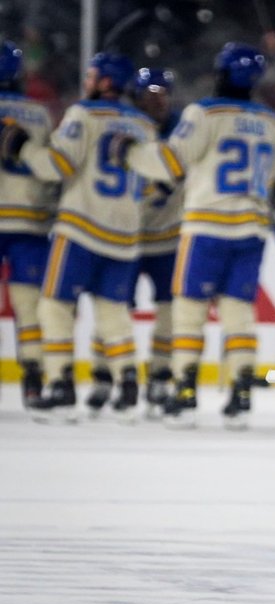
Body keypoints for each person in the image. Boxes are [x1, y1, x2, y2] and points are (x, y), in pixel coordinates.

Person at [112, 42, 275, 429]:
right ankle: (241, 390)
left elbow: (170, 161)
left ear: (221, 73)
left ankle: (185, 390)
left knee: (189, 311)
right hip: (252, 227)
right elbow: (274, 174)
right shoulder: (273, 122)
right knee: (238, 312)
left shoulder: (203, 113)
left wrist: (130, 153)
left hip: (206, 225)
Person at [1, 52, 155, 423]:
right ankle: (129, 382)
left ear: (104, 81)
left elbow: (57, 166)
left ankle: (61, 385)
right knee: (112, 310)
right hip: (125, 232)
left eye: (91, 76)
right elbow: (150, 184)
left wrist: (22, 147)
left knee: (53, 306)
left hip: (81, 226)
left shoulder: (82, 114)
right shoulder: (145, 125)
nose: (86, 81)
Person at [0, 40, 55, 407]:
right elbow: (53, 169)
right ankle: (34, 379)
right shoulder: (40, 113)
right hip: (32, 221)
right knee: (29, 306)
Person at [132, 67, 183, 418]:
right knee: (114, 311)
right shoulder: (126, 128)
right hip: (127, 241)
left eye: (162, 93)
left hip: (167, 240)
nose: (158, 100)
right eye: (150, 93)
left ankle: (161, 377)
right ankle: (109, 378)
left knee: (168, 315)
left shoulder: (183, 130)